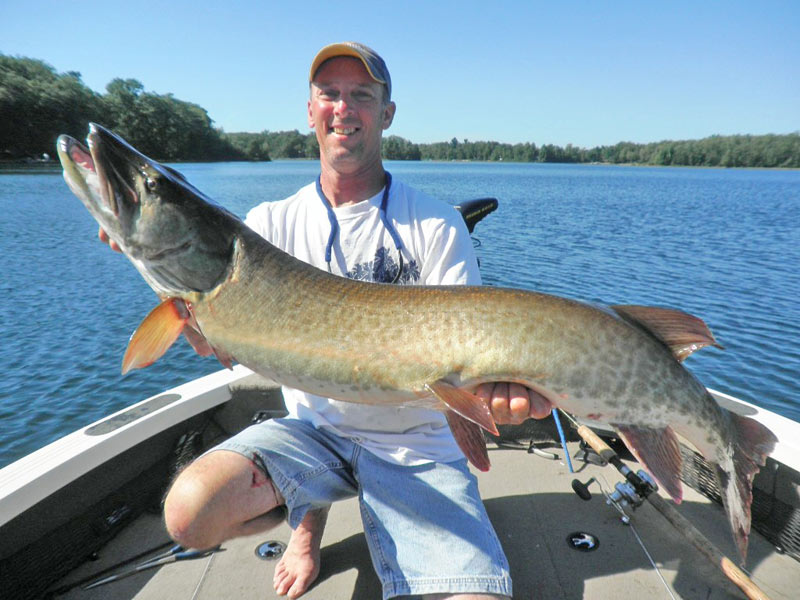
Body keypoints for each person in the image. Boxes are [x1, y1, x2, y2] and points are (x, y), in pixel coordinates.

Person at [102, 42, 552, 599]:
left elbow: (468, 361)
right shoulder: (267, 226)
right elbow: (215, 343)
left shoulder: (437, 225)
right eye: (329, 93)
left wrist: (495, 398)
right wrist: (164, 278)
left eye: (361, 95)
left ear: (386, 114)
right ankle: (306, 522)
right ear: (310, 110)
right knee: (188, 515)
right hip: (314, 435)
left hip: (416, 448)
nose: (344, 107)